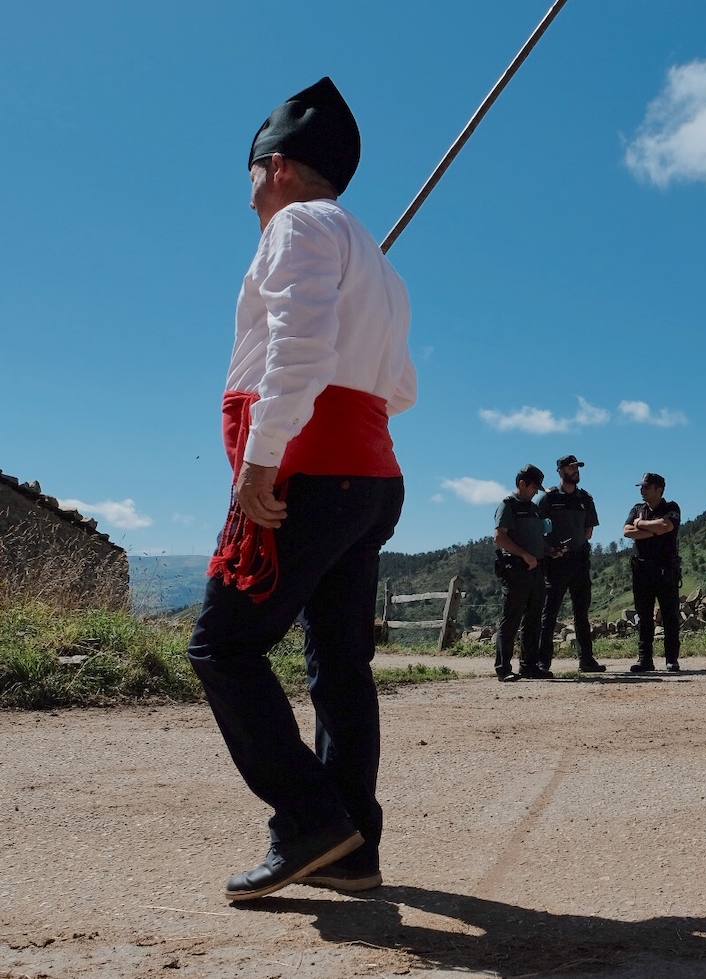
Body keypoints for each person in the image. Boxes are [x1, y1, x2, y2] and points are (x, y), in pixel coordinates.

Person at [187, 77, 417, 902]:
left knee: (222, 645)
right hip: (369, 478)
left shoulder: (298, 228)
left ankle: (311, 817)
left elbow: (299, 349)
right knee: (338, 663)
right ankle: (354, 846)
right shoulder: (377, 265)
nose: (248, 189)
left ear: (277, 166)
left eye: (251, 172)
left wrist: (259, 459)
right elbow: (402, 389)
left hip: (306, 472)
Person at [538, 455, 605, 672]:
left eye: (577, 467)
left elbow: (589, 531)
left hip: (579, 561)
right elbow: (535, 530)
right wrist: (550, 549)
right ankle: (542, 663)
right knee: (549, 614)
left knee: (581, 614)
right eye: (571, 467)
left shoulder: (585, 498)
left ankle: (586, 660)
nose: (576, 471)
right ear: (560, 471)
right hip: (555, 563)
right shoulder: (548, 498)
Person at [494, 465, 549, 681]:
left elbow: (537, 538)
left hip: (536, 569)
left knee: (533, 619)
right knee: (511, 619)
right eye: (534, 487)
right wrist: (524, 555)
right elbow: (500, 537)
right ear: (522, 484)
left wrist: (550, 550)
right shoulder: (508, 506)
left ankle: (529, 666)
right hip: (515, 569)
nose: (536, 492)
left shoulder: (534, 509)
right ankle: (503, 668)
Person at [622, 473, 682, 672]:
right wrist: (653, 529)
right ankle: (645, 660)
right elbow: (627, 531)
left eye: (647, 487)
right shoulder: (637, 509)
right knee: (644, 616)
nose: (642, 490)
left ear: (659, 489)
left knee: (670, 616)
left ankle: (671, 659)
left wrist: (640, 524)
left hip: (666, 570)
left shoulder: (672, 508)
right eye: (642, 486)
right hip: (642, 570)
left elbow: (666, 526)